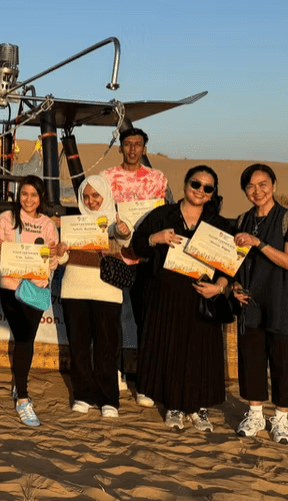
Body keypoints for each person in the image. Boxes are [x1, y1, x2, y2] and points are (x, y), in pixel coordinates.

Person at [131, 165, 231, 432]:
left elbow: (229, 267)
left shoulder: (218, 224)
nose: (200, 191)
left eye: (207, 188)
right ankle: (174, 405)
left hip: (202, 298)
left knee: (200, 353)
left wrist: (219, 287)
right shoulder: (162, 215)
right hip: (166, 297)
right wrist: (156, 237)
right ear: (185, 184)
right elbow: (136, 245)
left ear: (212, 193)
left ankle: (198, 408)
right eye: (195, 184)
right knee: (170, 350)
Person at [231, 164, 288, 444]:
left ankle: (281, 420)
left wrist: (258, 243)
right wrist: (233, 286)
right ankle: (255, 414)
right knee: (252, 358)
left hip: (283, 298)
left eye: (263, 184)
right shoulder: (242, 219)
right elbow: (232, 261)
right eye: (251, 186)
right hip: (252, 299)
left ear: (274, 186)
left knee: (285, 360)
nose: (258, 191)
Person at [101, 127, 173, 408]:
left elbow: (167, 212)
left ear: (145, 148)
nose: (132, 149)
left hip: (146, 260)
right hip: (117, 256)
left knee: (146, 322)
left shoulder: (158, 178)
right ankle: (117, 372)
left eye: (138, 144)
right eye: (128, 144)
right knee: (114, 319)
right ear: (120, 147)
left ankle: (146, 383)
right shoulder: (107, 177)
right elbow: (99, 211)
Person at [0, 175, 61, 427]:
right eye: (24, 194)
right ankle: (23, 399)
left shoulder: (48, 224)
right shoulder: (6, 219)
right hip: (11, 288)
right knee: (25, 339)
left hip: (36, 289)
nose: (28, 199)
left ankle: (19, 385)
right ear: (19, 195)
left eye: (34, 195)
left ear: (41, 198)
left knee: (25, 340)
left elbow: (53, 262)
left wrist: (56, 254)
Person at [58, 175, 124, 419]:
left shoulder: (117, 222)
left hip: (107, 292)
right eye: (86, 196)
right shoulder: (73, 222)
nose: (91, 201)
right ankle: (84, 394)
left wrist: (123, 231)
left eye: (96, 195)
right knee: (79, 347)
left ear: (105, 195)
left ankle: (109, 399)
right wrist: (62, 252)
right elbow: (62, 260)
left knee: (107, 347)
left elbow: (125, 239)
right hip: (74, 290)